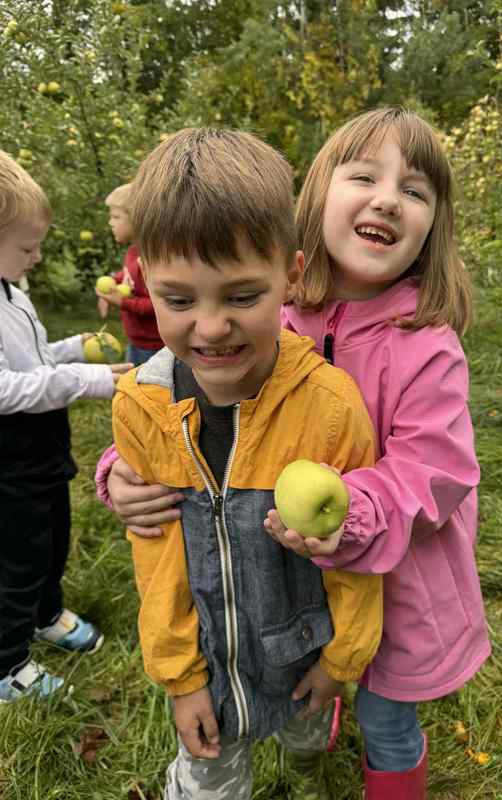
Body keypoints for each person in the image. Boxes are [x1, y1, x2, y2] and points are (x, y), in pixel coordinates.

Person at [96, 108, 491, 800]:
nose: (388, 198)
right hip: (292, 573)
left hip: (400, 580)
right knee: (316, 667)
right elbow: (182, 411)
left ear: (435, 224)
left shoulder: (426, 344)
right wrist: (121, 472)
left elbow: (438, 471)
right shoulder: (270, 312)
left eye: (416, 190)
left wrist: (354, 517)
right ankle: (319, 702)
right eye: (364, 175)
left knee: (388, 717)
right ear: (317, 198)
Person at [108, 127, 383, 799]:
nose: (209, 327)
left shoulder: (330, 404)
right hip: (208, 671)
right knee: (208, 783)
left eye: (240, 296)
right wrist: (180, 678)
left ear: (289, 275)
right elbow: (158, 557)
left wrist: (341, 661)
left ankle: (312, 760)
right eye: (178, 300)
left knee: (307, 741)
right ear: (145, 279)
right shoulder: (142, 408)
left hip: (302, 656)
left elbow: (351, 552)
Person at [0, 150, 132, 703]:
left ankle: (46, 613)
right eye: (27, 247)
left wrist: (70, 348)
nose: (35, 257)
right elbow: (6, 388)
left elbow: (32, 360)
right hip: (9, 457)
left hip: (43, 448)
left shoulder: (13, 293)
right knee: (17, 555)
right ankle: (6, 664)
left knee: (53, 534)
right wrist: (92, 379)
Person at [95, 183, 164, 366]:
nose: (110, 222)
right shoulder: (134, 252)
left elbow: (157, 303)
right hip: (137, 339)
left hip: (154, 345)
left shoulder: (152, 259)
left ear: (137, 220)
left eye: (116, 217)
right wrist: (113, 280)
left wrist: (122, 302)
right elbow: (128, 275)